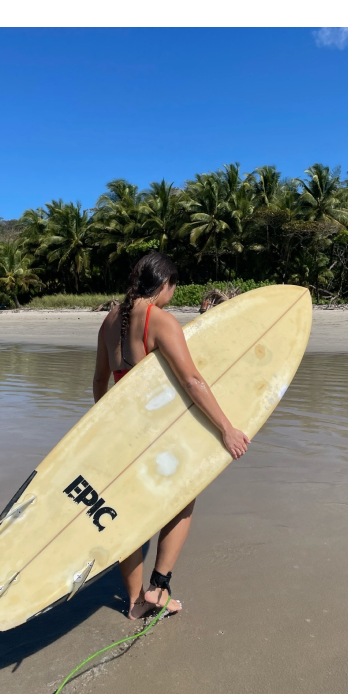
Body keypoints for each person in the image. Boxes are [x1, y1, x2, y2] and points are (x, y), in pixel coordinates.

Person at [92, 252, 252, 620]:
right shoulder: (159, 320)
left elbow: (100, 382)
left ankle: (134, 603)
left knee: (128, 516)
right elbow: (192, 380)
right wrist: (226, 429)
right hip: (156, 434)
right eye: (173, 288)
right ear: (164, 284)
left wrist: (103, 431)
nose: (173, 296)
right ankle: (159, 587)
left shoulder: (109, 319)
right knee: (182, 499)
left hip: (120, 436)